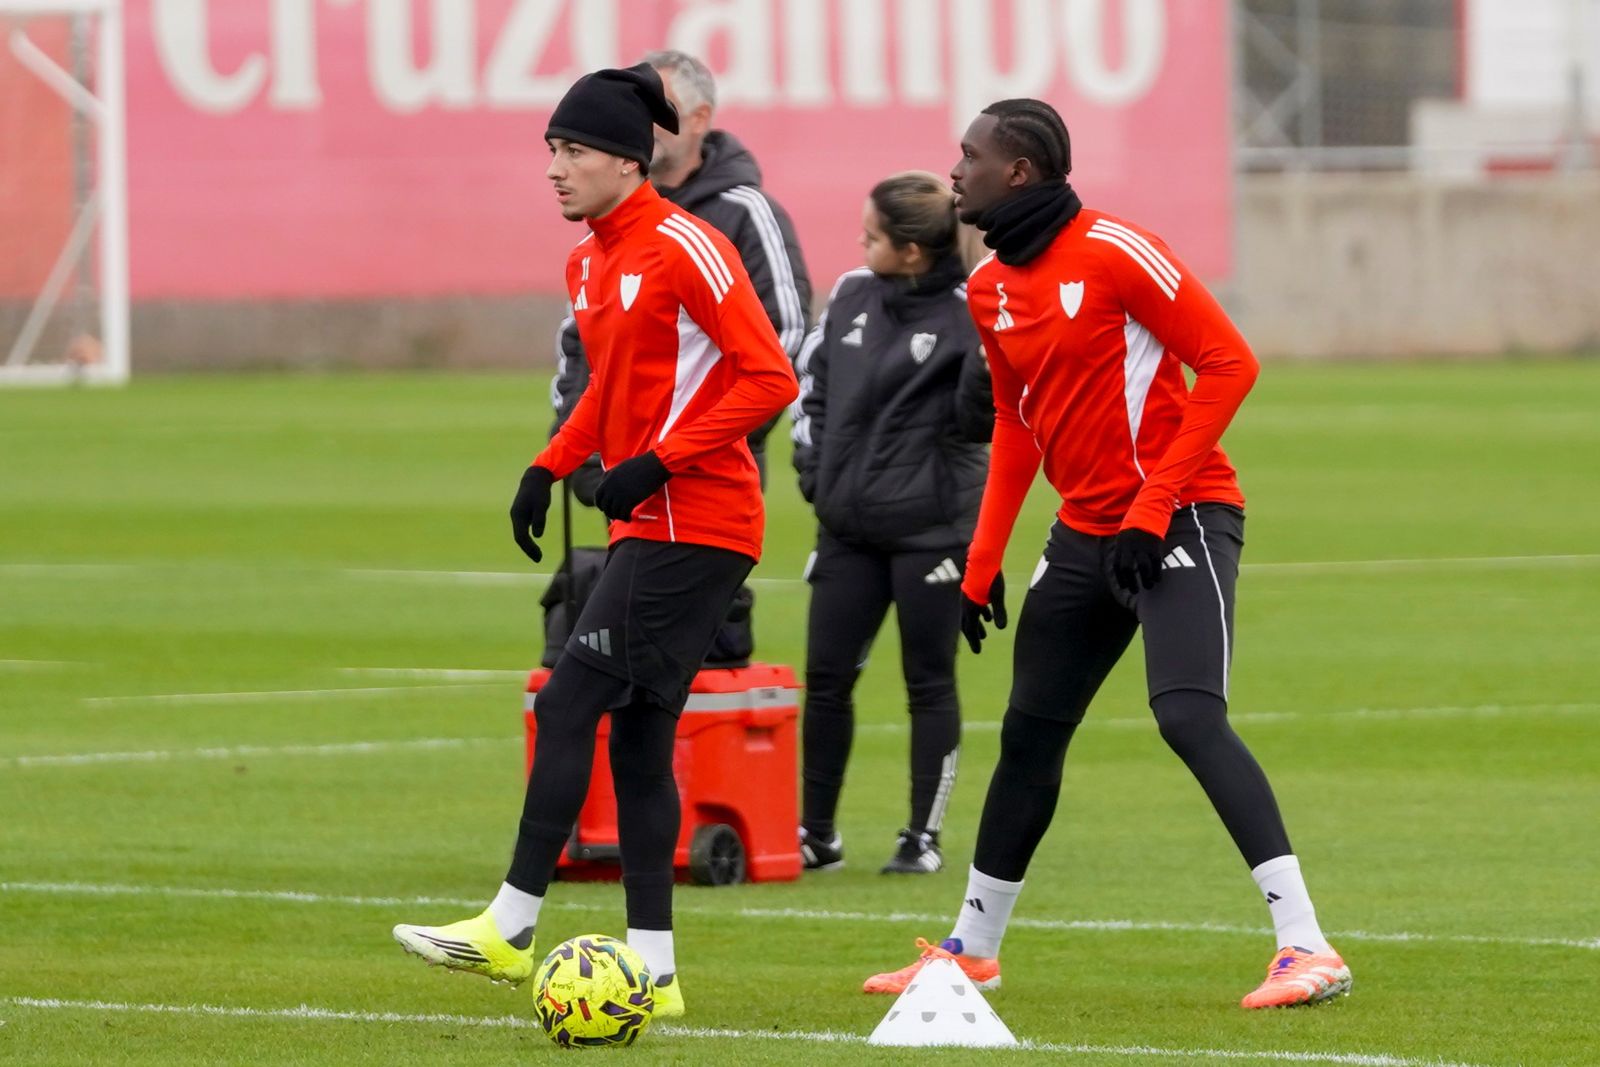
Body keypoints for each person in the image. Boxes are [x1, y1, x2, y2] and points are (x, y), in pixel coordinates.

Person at [862, 99, 1351, 1010]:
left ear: (1019, 171)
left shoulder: (1119, 250)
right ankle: (972, 951)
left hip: (1182, 516)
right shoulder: (989, 286)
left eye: (970, 156)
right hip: (1086, 533)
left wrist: (1154, 506)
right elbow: (1015, 422)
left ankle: (1307, 946)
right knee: (1029, 733)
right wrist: (982, 561)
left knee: (1188, 716)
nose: (954, 171)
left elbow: (1230, 363)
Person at [393, 63, 798, 1020]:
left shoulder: (688, 245)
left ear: (626, 160)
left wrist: (659, 461)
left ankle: (510, 923)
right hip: (650, 525)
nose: (555, 169)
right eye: (551, 151)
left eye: (572, 151)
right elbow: (605, 393)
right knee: (642, 738)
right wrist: (548, 465)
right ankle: (656, 972)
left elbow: (769, 376)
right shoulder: (589, 261)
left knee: (570, 700)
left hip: (701, 523)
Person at [790, 172, 992, 876]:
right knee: (826, 679)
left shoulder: (972, 311)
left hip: (931, 532)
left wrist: (987, 366)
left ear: (911, 251)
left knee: (928, 681)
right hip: (847, 528)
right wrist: (816, 475)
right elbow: (812, 389)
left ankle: (921, 838)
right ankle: (816, 833)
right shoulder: (851, 293)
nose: (860, 243)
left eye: (871, 235)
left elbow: (980, 422)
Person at [551, 50, 812, 498]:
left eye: (660, 108)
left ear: (699, 118)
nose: (641, 120)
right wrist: (573, 444)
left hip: (705, 473)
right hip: (622, 467)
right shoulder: (609, 222)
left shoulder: (745, 213)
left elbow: (782, 337)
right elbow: (585, 344)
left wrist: (689, 447)